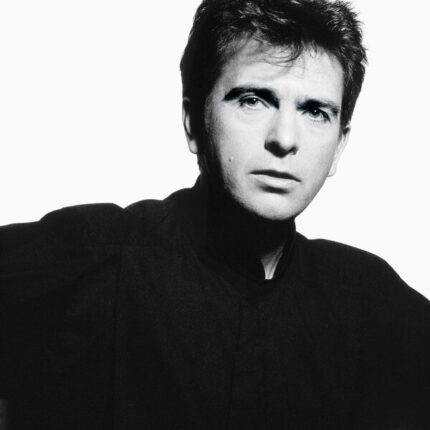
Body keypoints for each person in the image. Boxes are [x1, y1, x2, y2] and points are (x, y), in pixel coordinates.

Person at [1, 0, 429, 428]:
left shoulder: (376, 308)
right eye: (253, 100)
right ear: (193, 122)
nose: (284, 139)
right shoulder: (93, 256)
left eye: (315, 112)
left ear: (339, 145)